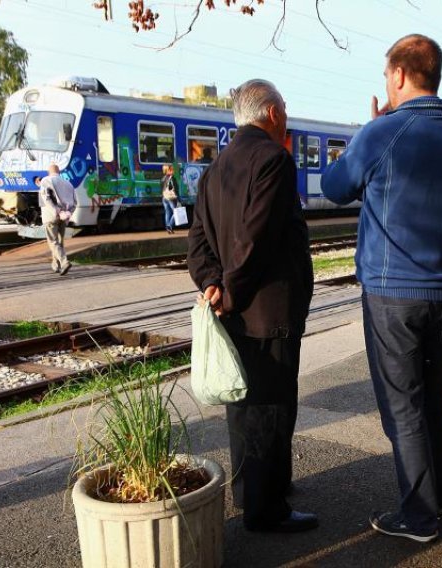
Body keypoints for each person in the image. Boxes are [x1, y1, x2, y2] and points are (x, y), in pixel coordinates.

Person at [321, 34, 442, 543]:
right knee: (437, 396)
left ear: (400, 76)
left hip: (394, 291)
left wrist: (370, 129)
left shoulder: (384, 131)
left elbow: (334, 187)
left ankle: (418, 516)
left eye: (387, 74)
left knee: (403, 405)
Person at [187, 79, 316, 533]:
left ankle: (252, 490)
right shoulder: (275, 160)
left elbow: (199, 240)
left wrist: (212, 286)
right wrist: (233, 289)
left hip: (233, 312)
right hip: (269, 311)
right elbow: (255, 240)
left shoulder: (215, 167)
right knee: (273, 406)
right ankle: (267, 511)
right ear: (274, 113)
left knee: (243, 404)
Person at [38, 164, 77, 275]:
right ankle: (56, 265)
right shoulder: (68, 183)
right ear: (59, 172)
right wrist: (68, 213)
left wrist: (57, 211)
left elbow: (46, 198)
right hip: (64, 218)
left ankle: (64, 262)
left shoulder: (46, 180)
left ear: (48, 172)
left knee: (53, 242)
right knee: (60, 242)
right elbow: (75, 202)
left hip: (51, 216)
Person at [161, 163, 179, 234]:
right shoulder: (172, 178)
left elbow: (162, 189)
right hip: (171, 198)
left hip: (164, 198)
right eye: (171, 169)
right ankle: (170, 226)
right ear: (167, 170)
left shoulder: (163, 178)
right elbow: (174, 190)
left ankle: (168, 228)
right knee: (176, 212)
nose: (173, 170)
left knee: (167, 213)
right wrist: (178, 199)